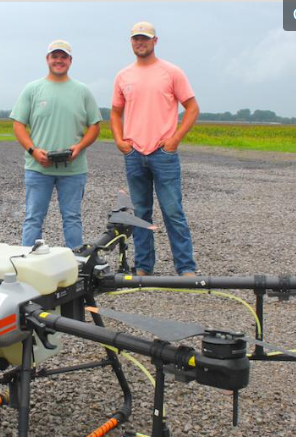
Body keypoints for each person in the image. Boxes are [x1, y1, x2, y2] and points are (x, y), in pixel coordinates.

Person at [110, 21, 200, 276]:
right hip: (134, 153)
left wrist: (175, 139)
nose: (140, 43)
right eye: (136, 39)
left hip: (163, 153)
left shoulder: (171, 72)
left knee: (173, 211)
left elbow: (192, 108)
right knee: (140, 213)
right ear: (131, 42)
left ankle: (185, 267)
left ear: (155, 41)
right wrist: (120, 141)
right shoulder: (123, 76)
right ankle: (143, 266)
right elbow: (116, 112)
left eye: (145, 38)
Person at [10, 40, 102, 250]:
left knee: (72, 218)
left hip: (73, 168)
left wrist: (79, 148)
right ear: (47, 59)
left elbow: (95, 126)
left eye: (63, 57)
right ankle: (28, 262)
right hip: (38, 168)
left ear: (70, 60)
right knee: (33, 218)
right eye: (55, 56)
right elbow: (18, 125)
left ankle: (76, 263)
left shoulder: (83, 91)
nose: (59, 60)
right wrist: (33, 151)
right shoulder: (32, 89)